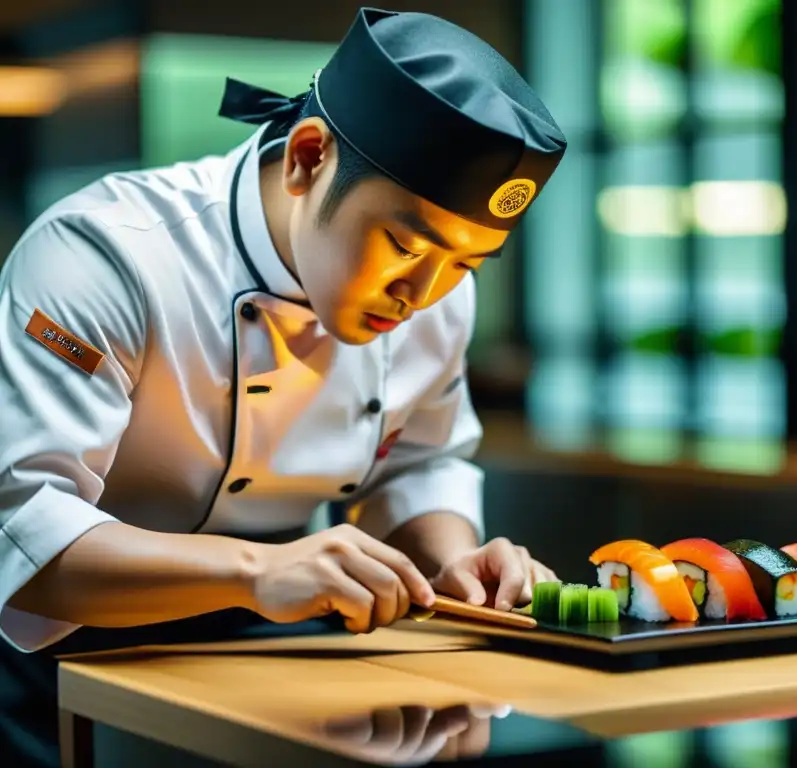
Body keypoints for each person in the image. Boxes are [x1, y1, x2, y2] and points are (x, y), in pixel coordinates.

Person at [0, 7, 566, 766]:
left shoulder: (437, 294)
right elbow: (25, 539)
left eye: (465, 263)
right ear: (307, 158)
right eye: (404, 244)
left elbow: (418, 464)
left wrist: (453, 564)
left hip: (278, 647)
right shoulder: (110, 256)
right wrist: (259, 571)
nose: (422, 295)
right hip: (66, 664)